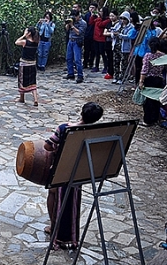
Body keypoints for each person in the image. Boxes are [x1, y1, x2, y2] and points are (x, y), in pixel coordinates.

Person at [44, 102, 104, 250]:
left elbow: (47, 146)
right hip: (79, 171)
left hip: (61, 169)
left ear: (82, 113)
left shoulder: (65, 128)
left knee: (53, 194)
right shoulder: (96, 132)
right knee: (72, 199)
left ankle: (54, 227)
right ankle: (69, 235)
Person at [139, 37, 166, 125]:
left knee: (148, 101)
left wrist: (141, 81)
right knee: (157, 99)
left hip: (149, 79)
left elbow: (144, 70)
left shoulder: (148, 56)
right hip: (159, 79)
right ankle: (156, 118)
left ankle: (148, 120)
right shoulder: (163, 55)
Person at [16, 26, 40, 106]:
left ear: (29, 33)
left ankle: (22, 98)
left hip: (24, 64)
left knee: (22, 81)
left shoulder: (25, 42)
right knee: (33, 82)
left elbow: (16, 42)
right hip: (32, 64)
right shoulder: (36, 42)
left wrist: (23, 35)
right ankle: (35, 99)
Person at [113, 11, 136, 84]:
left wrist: (120, 35)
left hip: (124, 47)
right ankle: (116, 76)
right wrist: (113, 33)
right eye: (121, 18)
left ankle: (122, 77)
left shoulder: (131, 27)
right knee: (116, 62)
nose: (123, 20)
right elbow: (113, 32)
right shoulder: (118, 25)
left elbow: (129, 36)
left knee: (124, 63)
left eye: (124, 19)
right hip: (116, 46)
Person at [65, 10, 87, 84]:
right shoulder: (71, 21)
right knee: (68, 58)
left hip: (77, 42)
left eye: (74, 16)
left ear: (78, 16)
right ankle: (70, 73)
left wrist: (72, 26)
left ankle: (80, 75)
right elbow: (66, 30)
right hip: (70, 41)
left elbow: (79, 33)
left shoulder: (83, 23)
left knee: (77, 60)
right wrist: (68, 24)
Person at [92, 7, 111, 73]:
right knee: (97, 53)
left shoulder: (107, 20)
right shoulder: (98, 19)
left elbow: (100, 24)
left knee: (103, 53)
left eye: (101, 11)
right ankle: (96, 66)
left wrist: (98, 18)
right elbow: (91, 21)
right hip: (96, 38)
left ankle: (106, 67)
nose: (99, 12)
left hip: (102, 39)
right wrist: (93, 15)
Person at [102, 11, 120, 80]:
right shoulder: (108, 24)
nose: (111, 18)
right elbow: (104, 33)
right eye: (110, 16)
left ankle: (116, 72)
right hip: (108, 43)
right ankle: (110, 72)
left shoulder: (118, 24)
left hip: (116, 44)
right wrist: (112, 33)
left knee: (115, 59)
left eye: (113, 16)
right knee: (109, 58)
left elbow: (117, 33)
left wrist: (110, 33)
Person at [82, 3, 98, 70]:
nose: (91, 9)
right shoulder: (87, 15)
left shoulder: (97, 16)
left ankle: (91, 63)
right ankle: (85, 63)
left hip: (94, 35)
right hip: (87, 35)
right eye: (90, 7)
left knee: (93, 50)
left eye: (93, 7)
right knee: (86, 50)